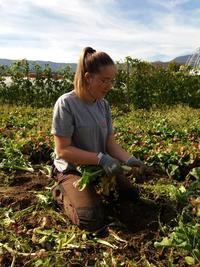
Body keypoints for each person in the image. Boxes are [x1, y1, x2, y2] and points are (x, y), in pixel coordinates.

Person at [51, 47, 144, 232]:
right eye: (104, 80)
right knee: (90, 219)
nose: (109, 86)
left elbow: (110, 144)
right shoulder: (67, 103)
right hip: (73, 168)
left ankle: (91, 190)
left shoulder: (103, 105)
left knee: (132, 195)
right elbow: (63, 150)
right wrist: (100, 158)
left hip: (99, 168)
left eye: (111, 81)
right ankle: (60, 191)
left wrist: (129, 159)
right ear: (88, 77)